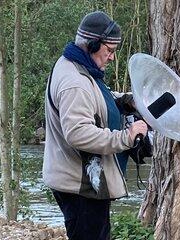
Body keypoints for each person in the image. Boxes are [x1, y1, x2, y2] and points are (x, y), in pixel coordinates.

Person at [42, 11, 147, 240]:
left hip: (86, 184)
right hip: (80, 187)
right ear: (91, 44)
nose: (111, 58)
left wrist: (125, 100)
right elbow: (78, 133)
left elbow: (96, 98)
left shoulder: (77, 66)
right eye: (109, 50)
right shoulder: (74, 82)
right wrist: (126, 138)